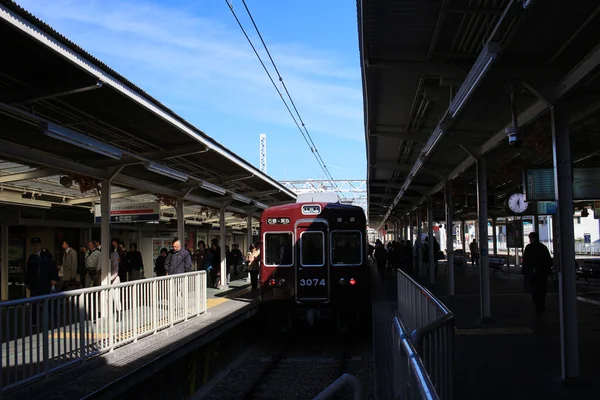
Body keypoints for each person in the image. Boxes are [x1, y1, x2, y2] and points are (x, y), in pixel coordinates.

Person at [522, 231, 553, 314]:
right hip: (542, 272)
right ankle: (542, 303)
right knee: (542, 289)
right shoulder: (543, 247)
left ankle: (537, 305)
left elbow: (525, 260)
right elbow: (548, 259)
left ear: (531, 238)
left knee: (534, 289)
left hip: (532, 272)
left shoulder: (529, 247)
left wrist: (525, 271)